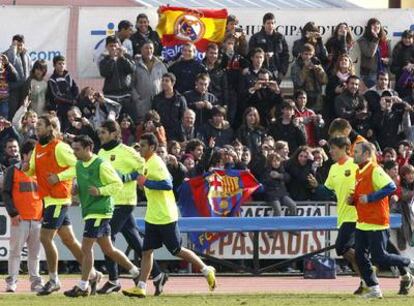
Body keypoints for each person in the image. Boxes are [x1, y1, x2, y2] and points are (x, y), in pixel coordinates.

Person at [122, 133, 216, 298]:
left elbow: (167, 184)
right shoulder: (147, 162)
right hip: (153, 214)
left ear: (152, 147)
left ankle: (206, 269)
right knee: (146, 251)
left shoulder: (156, 162)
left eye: (143, 146)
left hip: (165, 215)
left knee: (176, 250)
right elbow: (167, 177)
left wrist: (146, 183)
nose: (140, 149)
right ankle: (142, 287)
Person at [26, 114, 102, 295]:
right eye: (36, 127)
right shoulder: (38, 147)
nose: (37, 129)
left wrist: (59, 177)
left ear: (51, 128)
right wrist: (26, 169)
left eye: (40, 126)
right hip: (49, 199)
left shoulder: (59, 147)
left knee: (45, 238)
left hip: (58, 199)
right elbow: (32, 170)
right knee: (69, 240)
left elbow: (78, 165)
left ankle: (54, 280)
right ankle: (92, 274)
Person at [63, 135, 141, 297]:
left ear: (88, 148)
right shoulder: (79, 164)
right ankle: (135, 272)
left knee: (86, 248)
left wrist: (100, 191)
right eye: (73, 149)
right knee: (108, 249)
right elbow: (81, 183)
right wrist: (76, 190)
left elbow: (117, 184)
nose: (74, 152)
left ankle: (83, 285)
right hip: (90, 210)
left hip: (100, 210)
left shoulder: (101, 164)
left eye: (77, 149)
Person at [96, 120, 167, 295]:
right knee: (135, 241)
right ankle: (158, 274)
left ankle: (114, 280)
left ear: (114, 134)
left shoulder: (127, 151)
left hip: (124, 201)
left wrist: (127, 177)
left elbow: (144, 168)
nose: (100, 135)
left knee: (106, 237)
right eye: (100, 132)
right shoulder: (101, 152)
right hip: (110, 201)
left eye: (103, 132)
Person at [351, 141, 414, 298]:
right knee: (359, 256)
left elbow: (391, 187)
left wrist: (371, 197)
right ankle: (374, 288)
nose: (354, 154)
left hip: (376, 221)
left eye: (357, 151)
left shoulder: (374, 169)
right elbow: (362, 195)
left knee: (379, 256)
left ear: (366, 154)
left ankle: (408, 263)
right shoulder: (359, 172)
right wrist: (354, 199)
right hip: (362, 221)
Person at [308, 136, 366, 294]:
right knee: (351, 250)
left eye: (333, 148)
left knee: (342, 247)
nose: (330, 151)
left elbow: (367, 184)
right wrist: (316, 187)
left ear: (344, 148)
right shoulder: (333, 168)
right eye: (330, 148)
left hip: (357, 214)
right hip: (343, 216)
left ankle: (367, 274)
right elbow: (328, 191)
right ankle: (366, 277)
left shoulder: (356, 165)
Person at [3, 139, 43, 293]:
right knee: (15, 252)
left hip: (37, 218)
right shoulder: (12, 170)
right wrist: (13, 213)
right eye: (33, 155)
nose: (36, 158)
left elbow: (45, 195)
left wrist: (44, 214)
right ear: (24, 155)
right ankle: (12, 282)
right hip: (19, 219)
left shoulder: (40, 172)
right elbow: (6, 193)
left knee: (35, 254)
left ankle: (36, 281)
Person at [99, 36, 135, 123]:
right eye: (111, 46)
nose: (114, 48)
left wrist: (122, 57)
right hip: (111, 97)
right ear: (107, 47)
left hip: (126, 96)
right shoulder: (104, 60)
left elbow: (131, 69)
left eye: (116, 45)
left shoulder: (126, 57)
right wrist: (112, 59)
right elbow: (104, 73)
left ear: (120, 46)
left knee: (127, 122)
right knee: (112, 122)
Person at [131, 41, 167, 123]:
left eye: (151, 48)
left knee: (158, 124)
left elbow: (167, 81)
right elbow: (131, 84)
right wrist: (137, 98)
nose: (149, 50)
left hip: (159, 101)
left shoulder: (160, 64)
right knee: (142, 125)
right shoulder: (135, 65)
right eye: (146, 48)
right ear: (141, 50)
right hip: (142, 102)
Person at [248, 12, 289, 82]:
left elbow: (285, 55)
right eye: (268, 23)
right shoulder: (255, 37)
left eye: (272, 23)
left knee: (274, 92)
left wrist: (282, 72)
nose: (270, 25)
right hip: (260, 73)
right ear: (263, 24)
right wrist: (264, 55)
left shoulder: (280, 37)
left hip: (276, 73)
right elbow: (250, 55)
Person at [46, 55, 79, 131]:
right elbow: (56, 96)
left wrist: (75, 98)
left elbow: (75, 88)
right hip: (60, 110)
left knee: (74, 128)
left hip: (71, 108)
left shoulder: (69, 76)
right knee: (62, 129)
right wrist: (71, 100)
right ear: (54, 65)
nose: (62, 65)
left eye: (63, 63)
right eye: (59, 63)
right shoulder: (52, 80)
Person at [291, 43, 328, 111]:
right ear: (301, 54)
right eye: (306, 54)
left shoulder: (316, 62)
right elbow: (298, 83)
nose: (308, 57)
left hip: (316, 98)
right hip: (302, 98)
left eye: (310, 54)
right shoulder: (296, 65)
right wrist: (306, 68)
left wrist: (318, 70)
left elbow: (325, 81)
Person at [4, 34, 32, 120]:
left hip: (24, 91)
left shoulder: (26, 55)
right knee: (11, 115)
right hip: (12, 91)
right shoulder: (7, 54)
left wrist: (29, 89)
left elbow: (30, 71)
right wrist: (13, 48)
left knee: (22, 116)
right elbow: (11, 61)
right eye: (17, 45)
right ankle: (9, 132)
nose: (19, 47)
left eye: (21, 45)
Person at [358, 18, 391, 89]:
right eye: (374, 27)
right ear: (369, 27)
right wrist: (375, 39)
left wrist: (388, 60)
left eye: (378, 27)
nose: (376, 29)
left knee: (382, 93)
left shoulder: (385, 41)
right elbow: (369, 54)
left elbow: (391, 58)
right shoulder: (362, 40)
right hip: (369, 73)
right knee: (371, 95)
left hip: (383, 73)